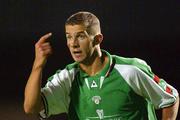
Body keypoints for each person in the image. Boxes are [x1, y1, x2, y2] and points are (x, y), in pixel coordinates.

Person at [24, 11, 179, 120]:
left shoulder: (130, 71)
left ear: (98, 39)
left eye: (80, 36)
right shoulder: (67, 78)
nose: (73, 44)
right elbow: (31, 107)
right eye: (69, 37)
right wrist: (38, 65)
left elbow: (171, 98)